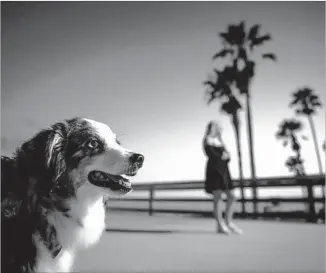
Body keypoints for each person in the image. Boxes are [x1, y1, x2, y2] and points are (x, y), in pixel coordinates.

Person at [203, 121, 243, 235]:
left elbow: (227, 156)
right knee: (218, 197)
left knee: (232, 196)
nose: (220, 130)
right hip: (215, 170)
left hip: (225, 171)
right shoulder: (207, 140)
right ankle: (220, 225)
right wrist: (222, 156)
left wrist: (226, 156)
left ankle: (228, 222)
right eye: (218, 128)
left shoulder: (220, 141)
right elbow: (210, 154)